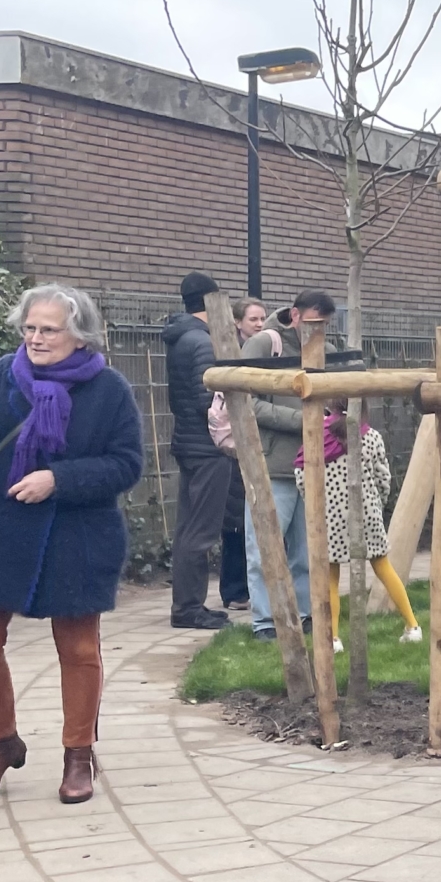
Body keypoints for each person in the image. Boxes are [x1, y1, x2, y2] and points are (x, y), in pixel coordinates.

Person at [0, 285, 144, 806]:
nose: (36, 338)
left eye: (49, 329)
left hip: (76, 533)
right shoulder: (2, 375)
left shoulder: (110, 389)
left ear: (80, 335)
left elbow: (125, 465)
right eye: (30, 328)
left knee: (78, 649)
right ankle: (1, 743)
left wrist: (59, 479)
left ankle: (78, 754)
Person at [241, 292, 338, 641]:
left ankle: (306, 615)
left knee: (307, 549)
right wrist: (305, 421)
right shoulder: (264, 345)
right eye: (313, 322)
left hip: (314, 464)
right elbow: (245, 404)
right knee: (264, 547)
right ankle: (266, 622)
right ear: (295, 315)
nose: (319, 330)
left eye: (325, 325)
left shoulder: (326, 349)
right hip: (273, 464)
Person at [308, 409, 420, 651]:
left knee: (331, 576)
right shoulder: (371, 436)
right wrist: (378, 502)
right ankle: (412, 626)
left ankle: (333, 639)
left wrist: (314, 504)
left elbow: (301, 473)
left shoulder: (316, 434)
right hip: (367, 512)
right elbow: (383, 476)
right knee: (383, 567)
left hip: (330, 515)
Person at [162, 271, 232, 629]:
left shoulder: (180, 337)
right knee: (201, 532)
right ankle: (188, 609)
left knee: (188, 528)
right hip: (208, 446)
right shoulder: (203, 341)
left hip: (188, 442)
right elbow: (211, 399)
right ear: (211, 300)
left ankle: (187, 605)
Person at [217, 299, 268, 611]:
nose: (260, 324)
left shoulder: (266, 350)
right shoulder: (232, 352)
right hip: (235, 445)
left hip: (258, 441)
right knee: (236, 520)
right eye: (253, 319)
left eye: (262, 318)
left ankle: (248, 587)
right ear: (238, 322)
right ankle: (234, 589)